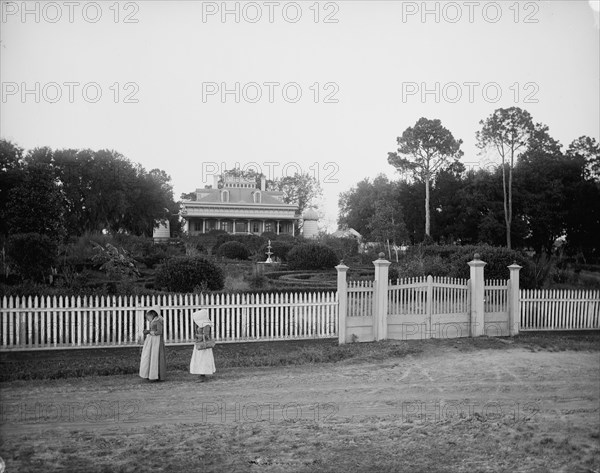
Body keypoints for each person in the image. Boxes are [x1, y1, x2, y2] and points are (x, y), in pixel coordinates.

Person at [139, 306, 167, 381]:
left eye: (149, 315)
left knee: (155, 356)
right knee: (150, 356)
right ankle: (150, 374)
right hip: (152, 340)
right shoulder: (154, 320)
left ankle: (156, 374)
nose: (148, 318)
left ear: (153, 314)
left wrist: (149, 332)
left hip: (156, 341)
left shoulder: (158, 320)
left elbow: (159, 332)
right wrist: (148, 331)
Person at [190, 309, 216, 381]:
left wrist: (198, 336)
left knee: (203, 360)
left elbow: (206, 335)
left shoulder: (206, 325)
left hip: (203, 346)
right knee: (199, 359)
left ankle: (203, 375)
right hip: (200, 344)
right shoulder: (202, 324)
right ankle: (201, 374)